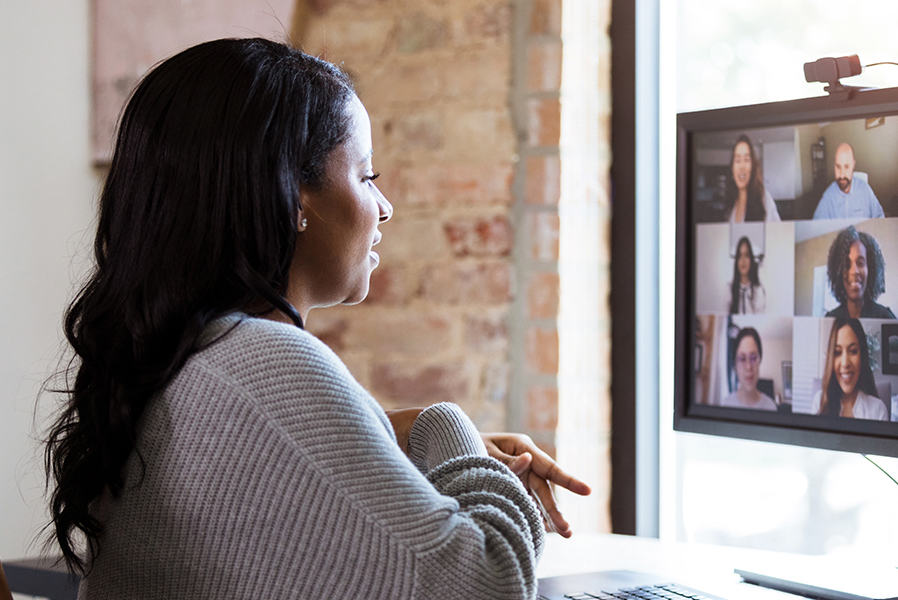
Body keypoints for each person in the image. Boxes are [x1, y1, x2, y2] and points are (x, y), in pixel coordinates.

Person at [43, 39, 590, 600]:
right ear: (294, 194)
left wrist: (387, 438)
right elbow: (488, 584)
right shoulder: (262, 358)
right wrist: (444, 426)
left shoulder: (176, 360)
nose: (384, 207)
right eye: (366, 175)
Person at [812, 317, 889, 420]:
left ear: (862, 356)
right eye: (838, 352)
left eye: (853, 351)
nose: (845, 363)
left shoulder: (878, 409)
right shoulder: (819, 402)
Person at [824, 226, 896, 319]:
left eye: (860, 263)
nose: (854, 271)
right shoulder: (830, 319)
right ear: (838, 272)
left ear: (870, 269)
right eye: (847, 265)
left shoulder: (885, 317)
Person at [812, 143, 885, 219]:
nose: (842, 175)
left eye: (846, 167)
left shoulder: (865, 190)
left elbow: (880, 218)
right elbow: (817, 226)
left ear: (853, 165)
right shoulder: (829, 196)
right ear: (834, 167)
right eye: (838, 167)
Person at [723, 135, 781, 222]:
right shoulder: (730, 203)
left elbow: (778, 233)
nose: (742, 166)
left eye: (746, 159)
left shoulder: (764, 199)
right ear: (732, 168)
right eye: (738, 160)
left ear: (753, 166)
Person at [720, 327, 777, 411]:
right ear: (735, 364)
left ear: (759, 361)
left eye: (753, 358)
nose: (748, 367)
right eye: (742, 359)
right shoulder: (725, 405)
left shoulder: (771, 407)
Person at [726, 236, 766, 314]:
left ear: (751, 259)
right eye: (740, 256)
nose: (743, 260)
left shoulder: (759, 290)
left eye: (746, 255)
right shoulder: (729, 289)